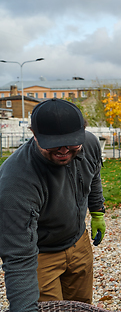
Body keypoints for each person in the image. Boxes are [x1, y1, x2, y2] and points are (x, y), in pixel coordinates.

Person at [0, 99, 106, 311]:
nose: (64, 150)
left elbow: (94, 175)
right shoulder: (16, 181)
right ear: (35, 134)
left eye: (71, 142)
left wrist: (97, 211)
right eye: (54, 143)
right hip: (41, 254)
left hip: (79, 242)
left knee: (81, 307)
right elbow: (18, 259)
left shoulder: (90, 144)